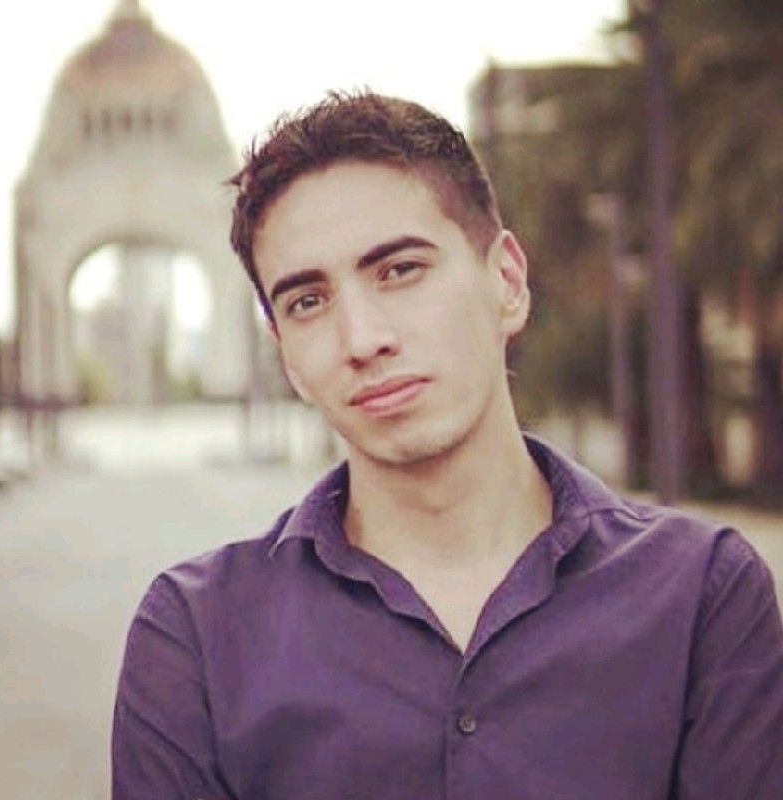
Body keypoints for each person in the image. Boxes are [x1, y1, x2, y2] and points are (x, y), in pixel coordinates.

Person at [111, 91, 783, 799]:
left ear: (508, 282)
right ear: (285, 354)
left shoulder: (700, 595)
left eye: (400, 270)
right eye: (308, 301)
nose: (363, 339)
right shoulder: (198, 636)